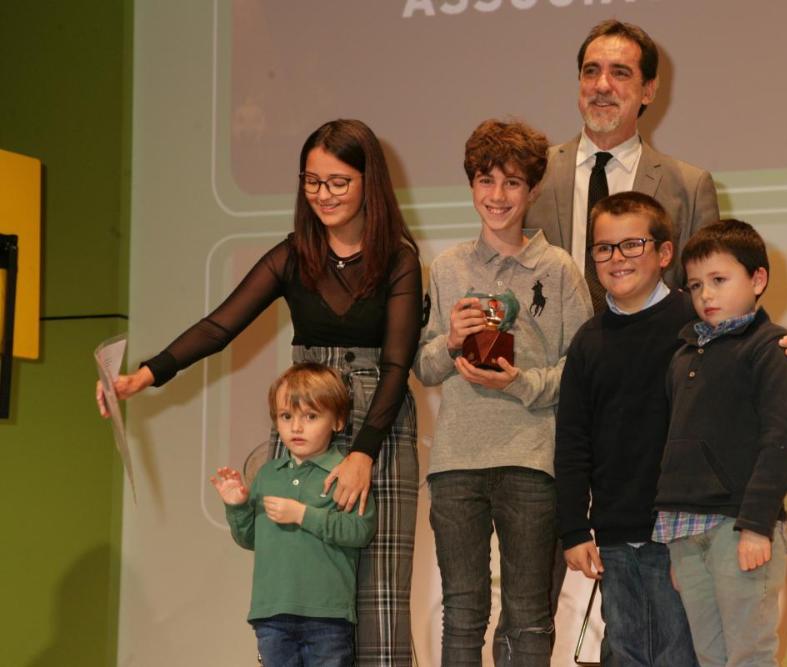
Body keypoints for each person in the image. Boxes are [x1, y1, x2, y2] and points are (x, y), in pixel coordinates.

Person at [97, 119, 422, 666]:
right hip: (307, 414)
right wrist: (143, 376)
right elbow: (220, 326)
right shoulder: (293, 254)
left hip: (377, 427)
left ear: (370, 182)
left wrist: (364, 452)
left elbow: (397, 364)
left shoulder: (398, 259)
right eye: (313, 182)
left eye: (339, 182)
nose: (324, 195)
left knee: (380, 597)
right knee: (300, 577)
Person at [555, 193, 787, 666]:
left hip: (687, 529)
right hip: (630, 530)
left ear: (663, 255)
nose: (617, 258)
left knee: (699, 653)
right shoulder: (601, 341)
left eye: (632, 244)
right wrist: (575, 525)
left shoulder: (696, 325)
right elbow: (573, 438)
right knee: (631, 649)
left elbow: (770, 387)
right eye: (604, 248)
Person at [413, 119, 592, 665]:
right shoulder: (446, 268)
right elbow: (423, 365)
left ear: (533, 190)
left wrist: (522, 383)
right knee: (462, 613)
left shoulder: (559, 269)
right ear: (471, 185)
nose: (498, 196)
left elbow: (584, 374)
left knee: (529, 616)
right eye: (486, 180)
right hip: (457, 463)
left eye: (512, 183)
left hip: (532, 460)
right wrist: (452, 340)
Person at [652, 219, 787, 667]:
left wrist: (757, 524)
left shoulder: (773, 347)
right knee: (710, 655)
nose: (706, 295)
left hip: (739, 526)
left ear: (758, 279)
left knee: (749, 654)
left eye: (719, 280)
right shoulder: (683, 355)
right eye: (696, 285)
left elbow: (783, 440)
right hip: (684, 528)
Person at [524, 19, 719, 310]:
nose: (602, 85)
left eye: (620, 73)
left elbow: (711, 295)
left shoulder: (690, 187)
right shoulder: (534, 173)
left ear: (648, 90)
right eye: (591, 71)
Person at [212, 363, 375, 667]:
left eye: (311, 417)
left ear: (337, 421)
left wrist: (303, 515)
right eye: (287, 417)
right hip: (271, 613)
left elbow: (359, 530)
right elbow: (250, 538)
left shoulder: (345, 474)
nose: (296, 427)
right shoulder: (267, 475)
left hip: (328, 615)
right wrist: (236, 506)